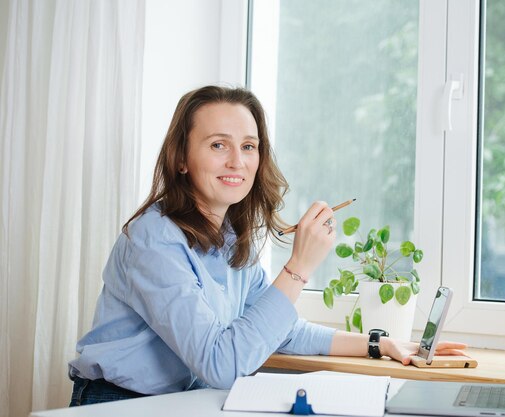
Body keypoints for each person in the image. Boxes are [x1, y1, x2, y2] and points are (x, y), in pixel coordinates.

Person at [68, 85, 467, 406]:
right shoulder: (152, 239)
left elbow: (282, 329)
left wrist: (380, 345)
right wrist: (298, 269)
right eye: (218, 145)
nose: (237, 162)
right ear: (182, 159)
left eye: (248, 146)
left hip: (176, 402)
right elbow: (220, 364)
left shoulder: (227, 239)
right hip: (115, 403)